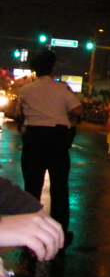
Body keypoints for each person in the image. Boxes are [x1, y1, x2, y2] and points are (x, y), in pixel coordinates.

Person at [17, 50, 82, 240]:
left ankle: (29, 230)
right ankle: (60, 230)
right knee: (59, 187)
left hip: (33, 139)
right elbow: (77, 109)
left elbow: (19, 112)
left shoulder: (25, 90)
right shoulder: (61, 89)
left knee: (32, 187)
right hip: (57, 140)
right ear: (52, 68)